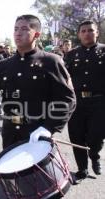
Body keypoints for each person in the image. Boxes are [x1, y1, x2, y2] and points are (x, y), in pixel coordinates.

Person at [0, 14, 76, 151]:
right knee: (12, 171)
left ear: (36, 34)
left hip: (37, 131)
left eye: (24, 29)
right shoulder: (4, 65)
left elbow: (67, 99)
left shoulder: (51, 61)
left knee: (37, 173)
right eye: (15, 29)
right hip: (10, 131)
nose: (18, 33)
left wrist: (49, 128)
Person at [65, 20, 105, 179]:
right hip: (77, 102)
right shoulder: (71, 54)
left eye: (90, 30)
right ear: (79, 34)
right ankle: (82, 169)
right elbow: (64, 78)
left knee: (97, 135)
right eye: (83, 31)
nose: (87, 33)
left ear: (97, 33)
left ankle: (94, 155)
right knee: (77, 136)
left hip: (99, 102)